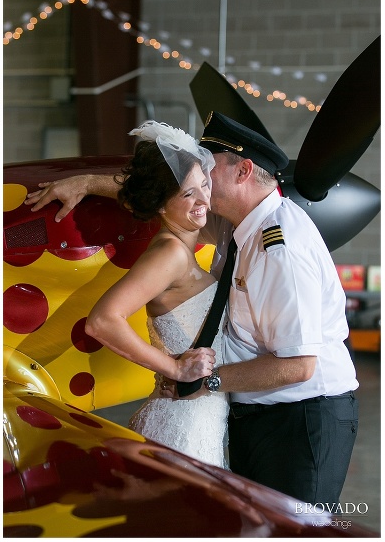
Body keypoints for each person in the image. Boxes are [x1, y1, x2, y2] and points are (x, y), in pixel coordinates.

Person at [26, 112, 359, 506]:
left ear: (243, 171)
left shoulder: (276, 246)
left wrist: (202, 380)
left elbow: (298, 365)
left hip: (298, 419)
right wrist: (87, 183)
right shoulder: (237, 225)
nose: (202, 183)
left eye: (208, 171)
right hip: (241, 414)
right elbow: (166, 194)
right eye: (194, 180)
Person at [83, 121, 225, 467]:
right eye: (188, 193)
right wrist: (174, 369)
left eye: (204, 185)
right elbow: (101, 321)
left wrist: (86, 183)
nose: (204, 199)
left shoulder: (187, 240)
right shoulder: (170, 254)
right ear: (161, 205)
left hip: (200, 415)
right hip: (185, 421)